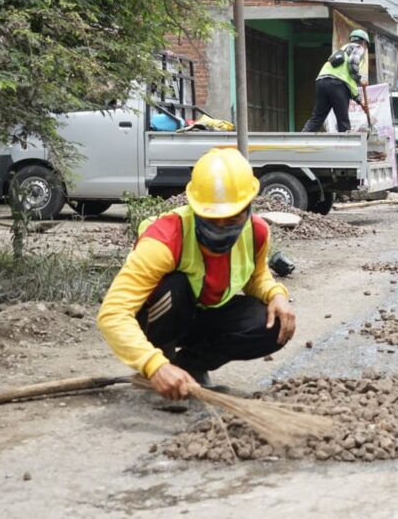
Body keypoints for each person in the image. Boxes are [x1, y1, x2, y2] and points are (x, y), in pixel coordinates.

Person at [97, 148, 296, 399]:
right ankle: (163, 362)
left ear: (248, 208)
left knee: (273, 323)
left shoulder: (256, 232)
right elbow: (113, 312)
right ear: (195, 208)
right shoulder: (164, 239)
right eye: (212, 220)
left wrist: (276, 294)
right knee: (175, 286)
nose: (221, 229)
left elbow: (256, 276)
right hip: (159, 319)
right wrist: (153, 364)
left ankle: (189, 366)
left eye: (232, 219)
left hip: (203, 315)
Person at [301, 29, 370, 133]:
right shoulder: (358, 47)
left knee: (317, 117)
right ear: (364, 43)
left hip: (321, 82)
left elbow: (349, 80)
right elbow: (352, 65)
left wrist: (360, 102)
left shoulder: (342, 49)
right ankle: (345, 143)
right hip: (337, 84)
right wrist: (360, 79)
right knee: (343, 120)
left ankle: (302, 138)